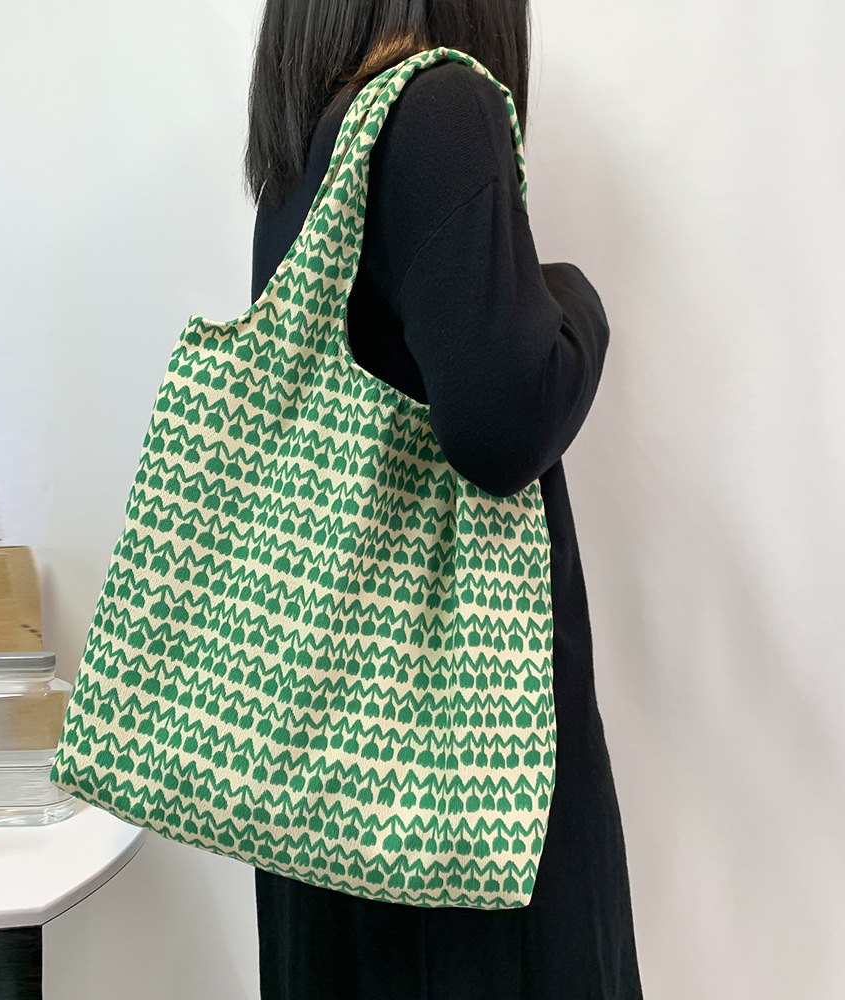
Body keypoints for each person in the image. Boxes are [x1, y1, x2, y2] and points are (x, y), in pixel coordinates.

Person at [244, 2, 643, 998]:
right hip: (460, 810)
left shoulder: (308, 157)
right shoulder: (438, 109)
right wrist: (575, 300)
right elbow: (504, 419)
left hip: (323, 786)